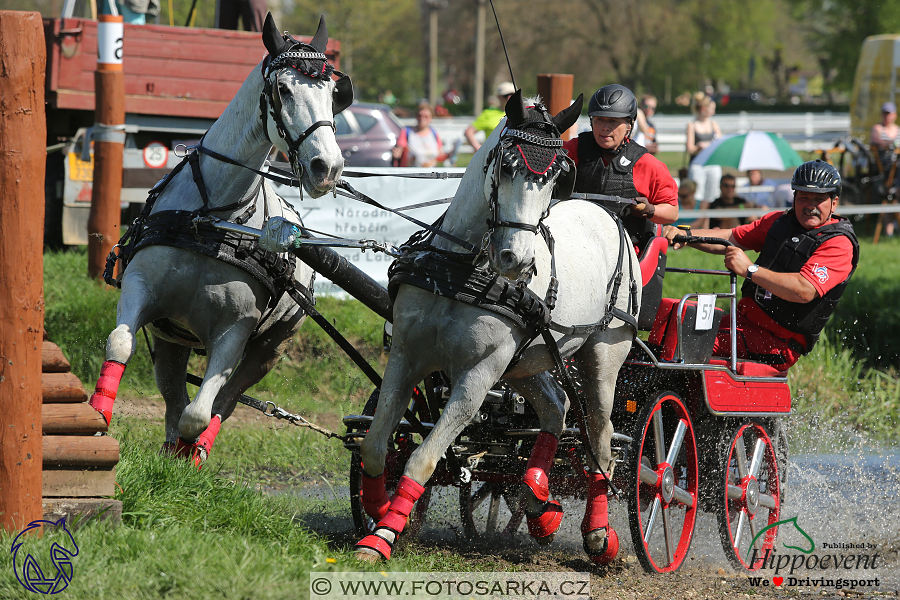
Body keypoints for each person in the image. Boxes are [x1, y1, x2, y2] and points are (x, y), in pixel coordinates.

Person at [662, 160, 859, 371]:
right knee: (668, 321)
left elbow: (804, 290)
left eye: (819, 200)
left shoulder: (838, 243)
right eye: (803, 197)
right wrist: (687, 235)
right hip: (743, 324)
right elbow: (731, 237)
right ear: (794, 198)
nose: (810, 206)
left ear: (834, 203)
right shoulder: (779, 221)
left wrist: (749, 270)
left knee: (684, 341)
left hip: (778, 342)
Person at [561, 83, 679, 242]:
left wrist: (650, 209)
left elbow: (672, 212)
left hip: (627, 250)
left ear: (629, 126)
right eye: (599, 120)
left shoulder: (648, 163)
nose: (605, 127)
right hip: (574, 240)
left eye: (613, 121)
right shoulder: (573, 149)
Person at [686, 92, 723, 203]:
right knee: (698, 195)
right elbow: (690, 149)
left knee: (712, 195)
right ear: (703, 108)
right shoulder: (692, 125)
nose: (713, 112)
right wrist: (699, 147)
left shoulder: (714, 124)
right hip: (698, 164)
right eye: (712, 109)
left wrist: (710, 145)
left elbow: (720, 143)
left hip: (712, 163)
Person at [392, 102, 449, 168]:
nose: (422, 118)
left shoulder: (434, 133)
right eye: (419, 116)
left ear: (431, 118)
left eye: (426, 116)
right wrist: (396, 153)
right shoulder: (407, 132)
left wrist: (449, 155)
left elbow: (439, 156)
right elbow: (399, 151)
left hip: (431, 174)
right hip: (412, 174)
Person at [464, 82, 515, 153]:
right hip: (494, 157)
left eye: (513, 95)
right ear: (499, 97)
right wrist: (479, 151)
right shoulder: (488, 114)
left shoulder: (522, 113)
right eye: (506, 95)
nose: (509, 98)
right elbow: (468, 132)